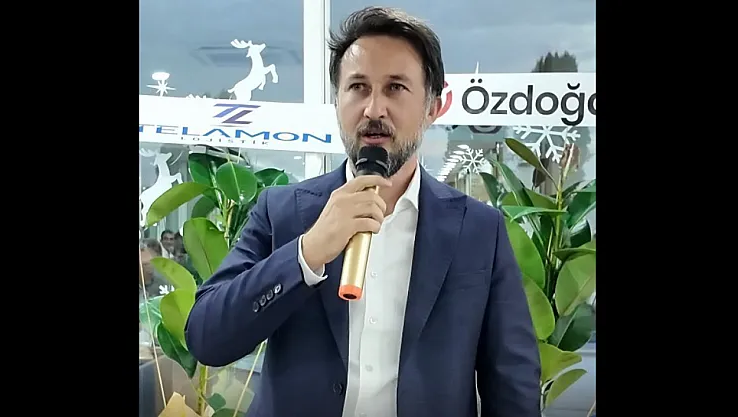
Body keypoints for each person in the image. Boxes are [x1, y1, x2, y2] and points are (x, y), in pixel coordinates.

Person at [184, 6, 541, 417]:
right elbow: (207, 338)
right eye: (358, 87)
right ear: (337, 100)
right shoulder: (281, 211)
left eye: (395, 88)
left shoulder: (479, 230)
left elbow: (512, 381)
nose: (373, 110)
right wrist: (306, 254)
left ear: (433, 107)